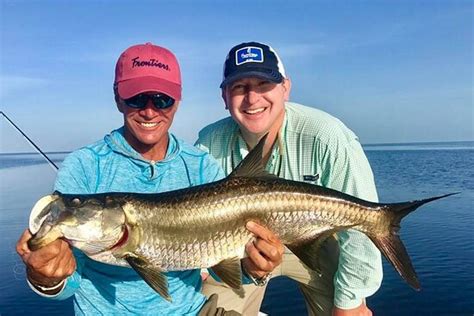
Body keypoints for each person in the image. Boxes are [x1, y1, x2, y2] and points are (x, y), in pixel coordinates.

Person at [16, 42, 284, 315]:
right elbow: (68, 281)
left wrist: (252, 268)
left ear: (177, 101)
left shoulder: (201, 166)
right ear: (118, 97)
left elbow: (217, 263)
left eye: (162, 99)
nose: (149, 110)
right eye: (136, 98)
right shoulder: (84, 166)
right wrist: (45, 277)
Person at [196, 42, 383, 316]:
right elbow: (196, 224)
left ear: (286, 88)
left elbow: (359, 230)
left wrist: (350, 303)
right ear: (224, 97)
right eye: (239, 87)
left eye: (264, 84)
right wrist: (200, 266)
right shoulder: (208, 144)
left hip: (315, 243)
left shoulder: (327, 136)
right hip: (239, 250)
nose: (252, 98)